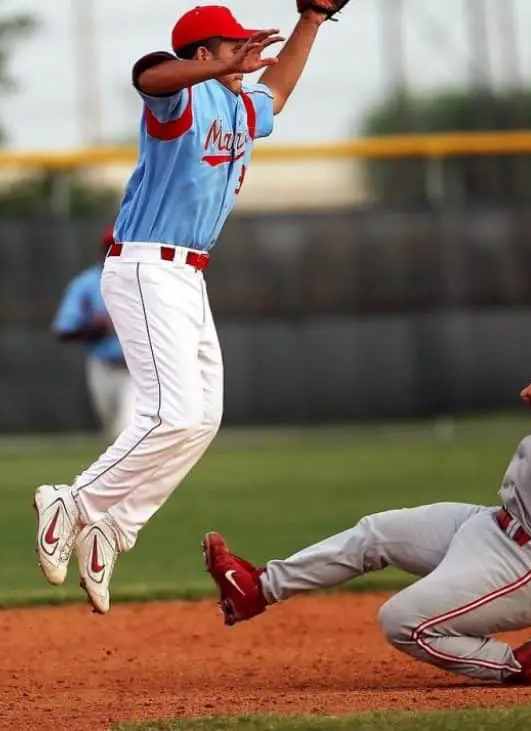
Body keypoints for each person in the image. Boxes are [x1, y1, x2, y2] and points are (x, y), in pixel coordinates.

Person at [33, 1, 352, 614]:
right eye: (229, 46)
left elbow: (278, 91)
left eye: (243, 45)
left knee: (203, 418)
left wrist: (311, 20)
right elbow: (147, 74)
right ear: (202, 54)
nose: (245, 54)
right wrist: (206, 70)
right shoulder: (180, 99)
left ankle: (112, 528)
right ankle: (70, 502)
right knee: (171, 413)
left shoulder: (238, 105)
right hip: (146, 264)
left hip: (188, 275)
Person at [203, 280, 531, 685]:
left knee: (401, 621)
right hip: (491, 526)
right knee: (375, 533)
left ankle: (514, 664)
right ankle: (256, 590)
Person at [51, 226, 135, 439]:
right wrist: (96, 329)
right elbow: (63, 331)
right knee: (111, 428)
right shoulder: (87, 284)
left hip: (137, 369)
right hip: (103, 365)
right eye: (110, 248)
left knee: (128, 428)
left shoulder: (142, 280)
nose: (114, 253)